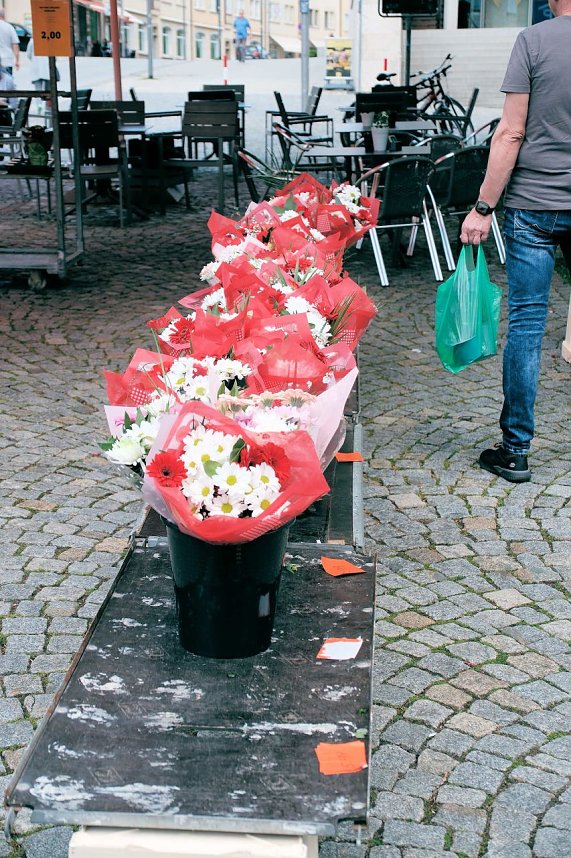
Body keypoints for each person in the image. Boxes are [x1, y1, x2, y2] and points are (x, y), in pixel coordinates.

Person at [460, 0, 571, 484]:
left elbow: (510, 132)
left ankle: (515, 450)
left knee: (528, 324)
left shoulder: (534, 40)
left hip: (534, 205)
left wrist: (483, 207)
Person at [0, 9, 19, 75]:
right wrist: (17, 60)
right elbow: (15, 45)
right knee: (7, 83)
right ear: (4, 16)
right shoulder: (9, 27)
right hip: (7, 61)